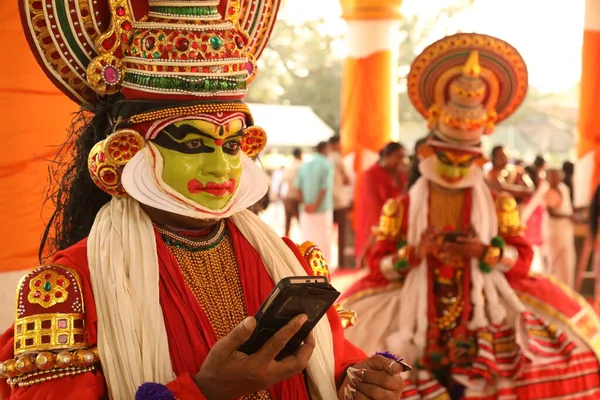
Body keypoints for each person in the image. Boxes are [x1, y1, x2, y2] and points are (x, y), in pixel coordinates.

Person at [0, 1, 408, 399]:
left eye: (232, 145)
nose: (221, 169)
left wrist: (357, 382)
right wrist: (205, 391)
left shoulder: (287, 259)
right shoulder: (67, 285)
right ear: (126, 151)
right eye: (194, 144)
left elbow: (332, 366)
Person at [338, 33, 600, 399]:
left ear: (480, 159)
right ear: (429, 153)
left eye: (466, 160)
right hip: (409, 310)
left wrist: (484, 252)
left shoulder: (498, 205)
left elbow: (521, 259)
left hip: (483, 305)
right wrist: (415, 254)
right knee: (344, 357)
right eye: (446, 157)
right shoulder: (401, 207)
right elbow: (376, 263)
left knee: (563, 357)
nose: (454, 168)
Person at [355, 142, 406, 267]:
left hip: (399, 221)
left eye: (402, 157)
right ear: (386, 156)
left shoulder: (402, 173)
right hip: (378, 222)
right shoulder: (370, 174)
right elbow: (374, 206)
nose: (401, 160)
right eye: (397, 156)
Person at [295, 142, 335, 262]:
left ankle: (307, 265)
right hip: (322, 209)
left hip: (306, 210)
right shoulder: (327, 165)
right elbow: (325, 188)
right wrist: (315, 205)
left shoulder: (305, 165)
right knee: (324, 239)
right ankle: (324, 266)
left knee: (307, 238)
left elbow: (298, 187)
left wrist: (305, 204)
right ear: (325, 149)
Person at [543, 168, 576, 288]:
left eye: (557, 176)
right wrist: (569, 216)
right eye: (552, 176)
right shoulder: (548, 193)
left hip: (566, 230)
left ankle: (567, 289)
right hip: (555, 231)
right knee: (555, 260)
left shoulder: (564, 189)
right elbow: (551, 212)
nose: (555, 179)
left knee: (568, 260)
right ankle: (552, 288)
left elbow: (569, 208)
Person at [329, 136, 352, 268]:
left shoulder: (326, 159)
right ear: (335, 145)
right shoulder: (338, 159)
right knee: (341, 234)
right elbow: (346, 179)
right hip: (340, 201)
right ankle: (341, 263)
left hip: (328, 201)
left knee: (327, 233)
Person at [279, 148, 303, 237]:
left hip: (287, 197)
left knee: (287, 223)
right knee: (301, 222)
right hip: (296, 197)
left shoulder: (289, 166)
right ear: (300, 154)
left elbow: (282, 181)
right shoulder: (301, 166)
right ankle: (304, 243)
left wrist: (279, 194)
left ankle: (286, 241)